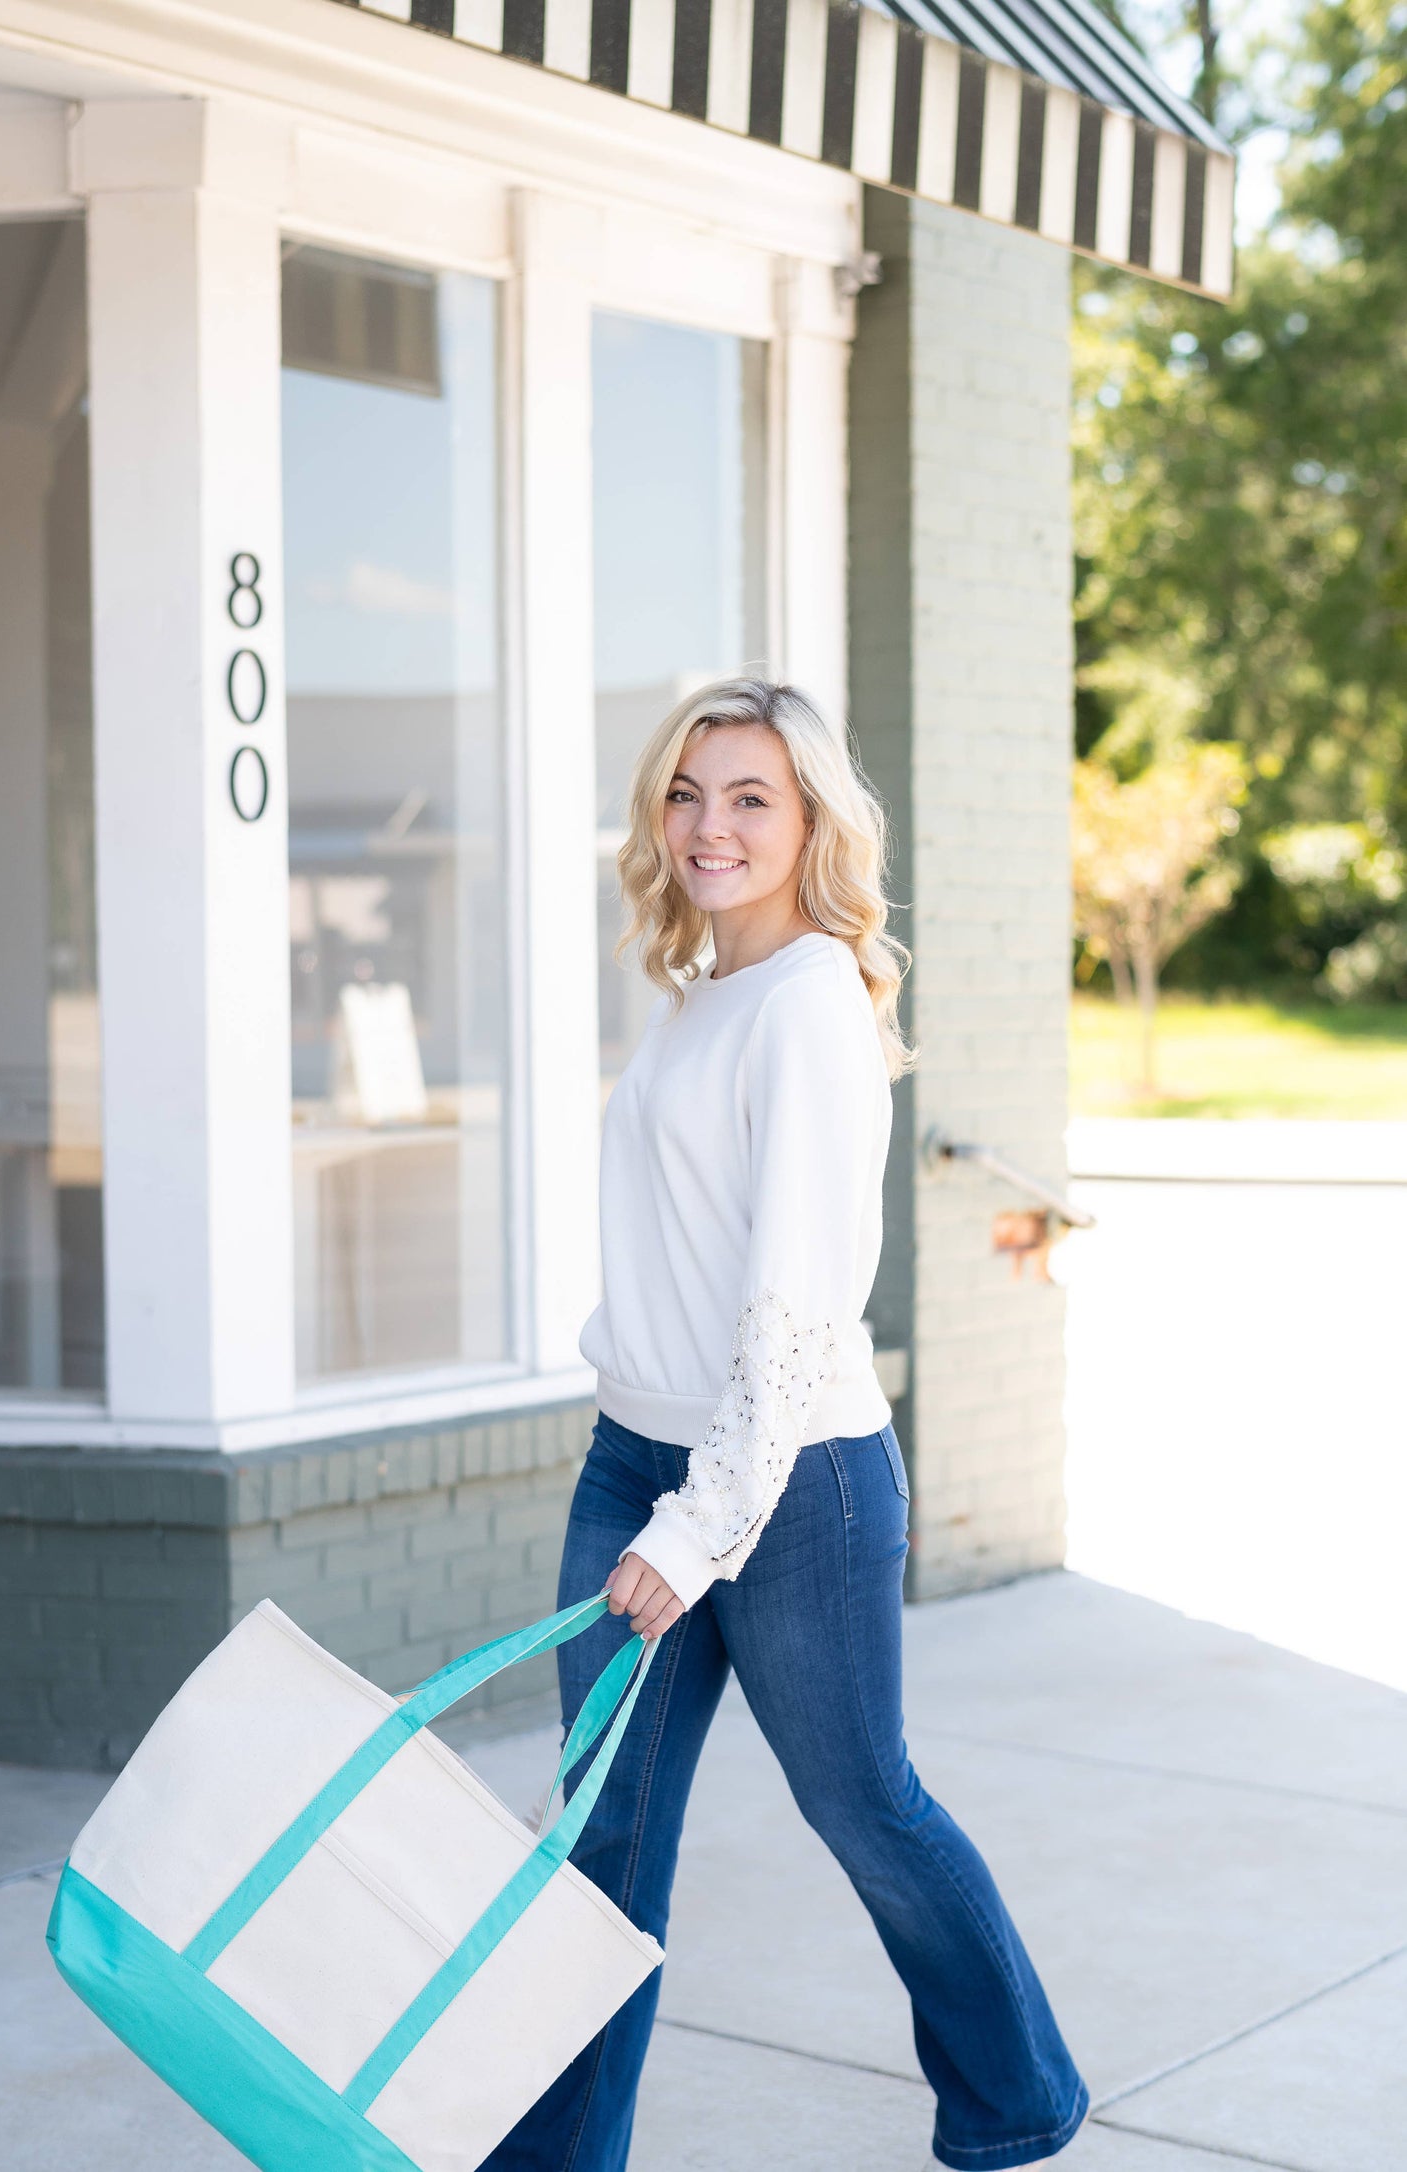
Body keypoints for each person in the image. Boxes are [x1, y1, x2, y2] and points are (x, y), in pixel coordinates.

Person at [485, 677, 1088, 2171]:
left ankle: (1016, 2093)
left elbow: (797, 1312)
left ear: (811, 817)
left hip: (787, 1483)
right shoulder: (701, 995)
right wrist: (644, 1447)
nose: (709, 825)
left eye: (750, 796)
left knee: (863, 1805)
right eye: (687, 793)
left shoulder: (812, 1000)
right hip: (640, 1453)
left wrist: (696, 1528)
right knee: (596, 1840)